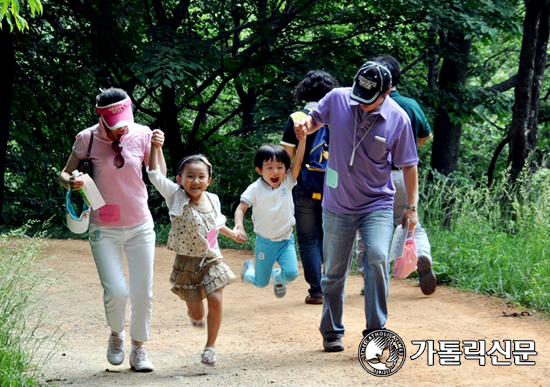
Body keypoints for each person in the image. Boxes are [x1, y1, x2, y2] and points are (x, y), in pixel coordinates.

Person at [294, 61, 419, 352]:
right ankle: (331, 331)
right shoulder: (338, 97)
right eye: (358, 96)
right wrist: (305, 126)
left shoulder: (399, 120)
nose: (361, 104)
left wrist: (411, 206)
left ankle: (376, 330)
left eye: (370, 100)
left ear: (387, 93)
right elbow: (315, 119)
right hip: (337, 203)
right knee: (334, 271)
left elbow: (409, 166)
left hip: (377, 203)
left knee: (376, 258)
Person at [60, 87, 166, 372]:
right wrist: (71, 182)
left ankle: (139, 348)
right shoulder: (88, 138)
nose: (123, 130)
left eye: (125, 123)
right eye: (117, 125)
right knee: (117, 291)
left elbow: (159, 176)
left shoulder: (141, 133)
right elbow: (65, 172)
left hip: (140, 225)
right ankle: (117, 335)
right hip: (103, 228)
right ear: (103, 119)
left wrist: (156, 147)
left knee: (143, 291)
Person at [147, 151, 240, 366]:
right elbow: (154, 175)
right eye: (190, 176)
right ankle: (194, 315)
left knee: (216, 299)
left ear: (209, 180)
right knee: (197, 315)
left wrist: (233, 234)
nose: (195, 181)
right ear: (179, 180)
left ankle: (210, 347)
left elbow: (216, 224)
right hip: (187, 263)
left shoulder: (213, 199)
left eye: (201, 176)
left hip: (212, 259)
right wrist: (156, 147)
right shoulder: (174, 195)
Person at [356, 55, 437, 296]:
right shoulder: (411, 105)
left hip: (374, 177)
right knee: (413, 225)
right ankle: (421, 254)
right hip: (404, 175)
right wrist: (407, 152)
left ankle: (370, 279)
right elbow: (425, 136)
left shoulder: (367, 103)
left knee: (368, 227)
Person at [281, 70, 338, 305]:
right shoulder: (338, 118)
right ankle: (333, 285)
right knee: (331, 238)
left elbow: (286, 159)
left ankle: (317, 291)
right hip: (334, 188)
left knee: (308, 239)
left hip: (304, 185)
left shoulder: (296, 118)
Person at [234, 142, 306, 298]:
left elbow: (298, 161)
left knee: (292, 273)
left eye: (280, 167)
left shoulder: (287, 182)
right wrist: (239, 226)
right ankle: (248, 272)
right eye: (269, 167)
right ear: (259, 170)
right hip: (265, 244)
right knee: (261, 282)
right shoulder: (255, 189)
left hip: (286, 241)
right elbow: (241, 208)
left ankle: (278, 277)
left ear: (286, 169)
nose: (275, 172)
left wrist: (303, 138)